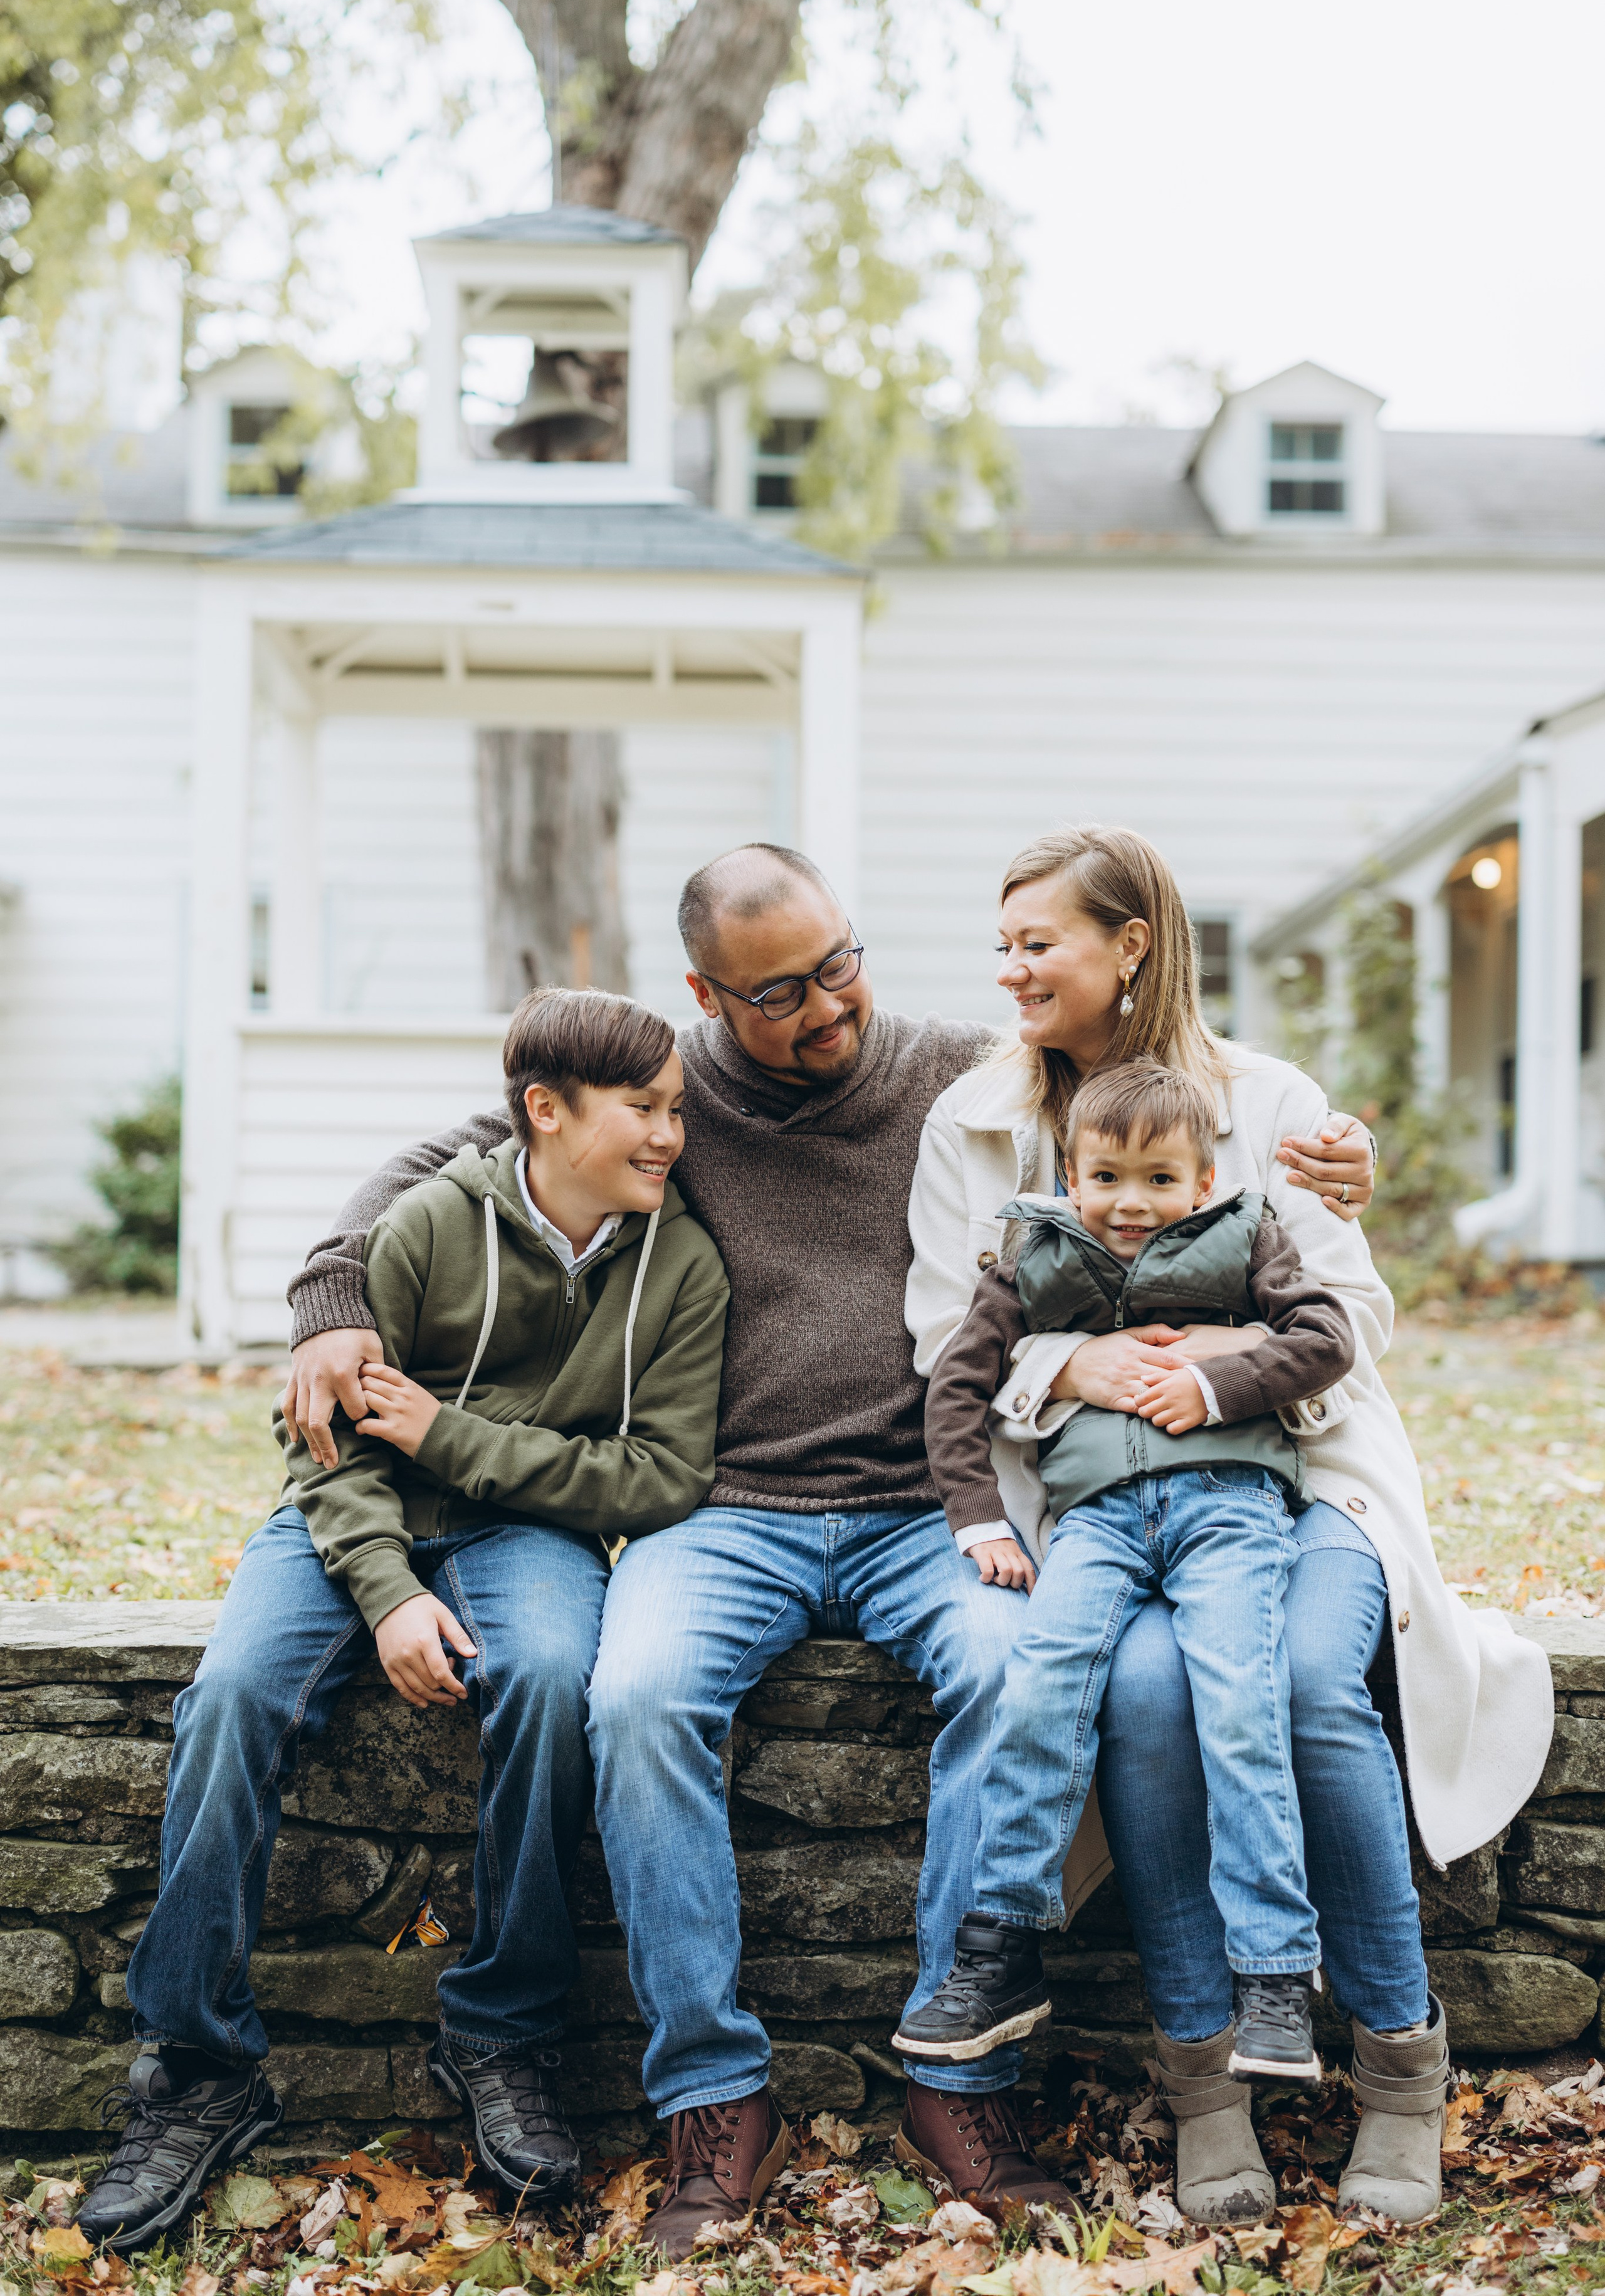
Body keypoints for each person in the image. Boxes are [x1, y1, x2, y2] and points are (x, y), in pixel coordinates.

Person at [279, 841, 1379, 2253]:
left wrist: (1338, 1155)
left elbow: (1156, 1096)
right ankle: (709, 2094)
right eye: (783, 990)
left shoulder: (952, 1070)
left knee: (1015, 1666)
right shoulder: (677, 1094)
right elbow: (465, 1150)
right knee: (636, 1697)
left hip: (932, 1505)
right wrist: (329, 1292)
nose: (829, 1008)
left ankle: (955, 2077)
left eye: (841, 962)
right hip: (721, 1509)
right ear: (707, 995)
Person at [904, 823, 1555, 2229]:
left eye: (1038, 942)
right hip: (1082, 1490)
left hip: (1291, 1475)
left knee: (1311, 1682)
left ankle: (1396, 2064)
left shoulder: (1268, 1103)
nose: (1008, 968)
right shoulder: (970, 1119)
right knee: (1140, 1695)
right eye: (1001, 942)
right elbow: (935, 1338)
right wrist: (1073, 1366)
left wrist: (1209, 1363)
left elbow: (1350, 1315)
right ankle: (1206, 2081)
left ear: (1130, 944)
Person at [78, 989, 728, 2255]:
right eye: (643, 1109)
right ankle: (196, 2067)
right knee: (227, 1700)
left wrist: (459, 1437)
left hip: (523, 1533)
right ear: (547, 1110)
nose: (669, 1134)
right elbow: (323, 1440)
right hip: (348, 1518)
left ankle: (503, 2031)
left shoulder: (682, 1264)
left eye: (678, 1110)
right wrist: (387, 1593)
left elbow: (662, 1475)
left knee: (549, 1676)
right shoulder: (430, 1225)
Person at [895, 1060, 1355, 2083]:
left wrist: (1214, 1380)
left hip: (1230, 1507)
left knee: (1241, 1698)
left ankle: (1275, 1974)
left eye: (1159, 1179)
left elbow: (1328, 1338)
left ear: (1202, 1181)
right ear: (1071, 1172)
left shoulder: (1248, 1234)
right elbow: (956, 1387)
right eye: (1108, 1177)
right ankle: (1001, 1942)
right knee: (1041, 1686)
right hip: (1095, 1519)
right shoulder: (1031, 1254)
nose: (1132, 1203)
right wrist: (977, 1522)